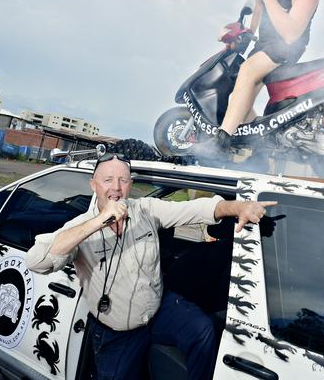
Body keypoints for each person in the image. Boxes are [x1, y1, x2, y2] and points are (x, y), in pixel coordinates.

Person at [26, 153, 275, 380]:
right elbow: (38, 260)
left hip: (157, 311)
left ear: (130, 185)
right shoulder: (80, 226)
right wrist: (100, 220)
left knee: (202, 330)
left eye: (123, 180)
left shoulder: (146, 209)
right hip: (118, 332)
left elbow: (195, 209)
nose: (116, 188)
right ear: (94, 185)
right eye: (108, 180)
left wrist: (237, 207)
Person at [195, 0, 321, 158]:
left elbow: (291, 33)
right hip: (264, 43)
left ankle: (220, 141)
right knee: (238, 100)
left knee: (248, 71)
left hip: (288, 47)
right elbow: (259, 6)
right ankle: (260, 146)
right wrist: (247, 34)